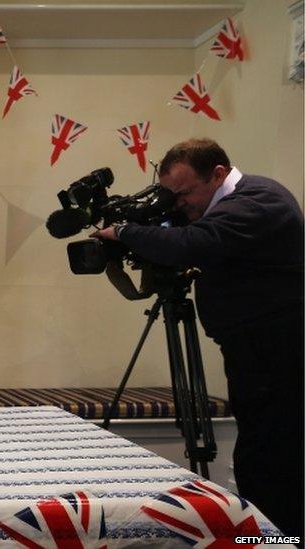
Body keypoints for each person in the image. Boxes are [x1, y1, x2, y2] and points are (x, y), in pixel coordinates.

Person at [92, 138, 303, 539]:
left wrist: (122, 231)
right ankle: (263, 536)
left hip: (282, 354)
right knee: (262, 449)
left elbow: (193, 244)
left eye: (184, 193)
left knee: (273, 456)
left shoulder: (260, 201)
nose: (178, 204)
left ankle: (276, 540)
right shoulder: (217, 207)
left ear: (218, 174)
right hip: (254, 351)